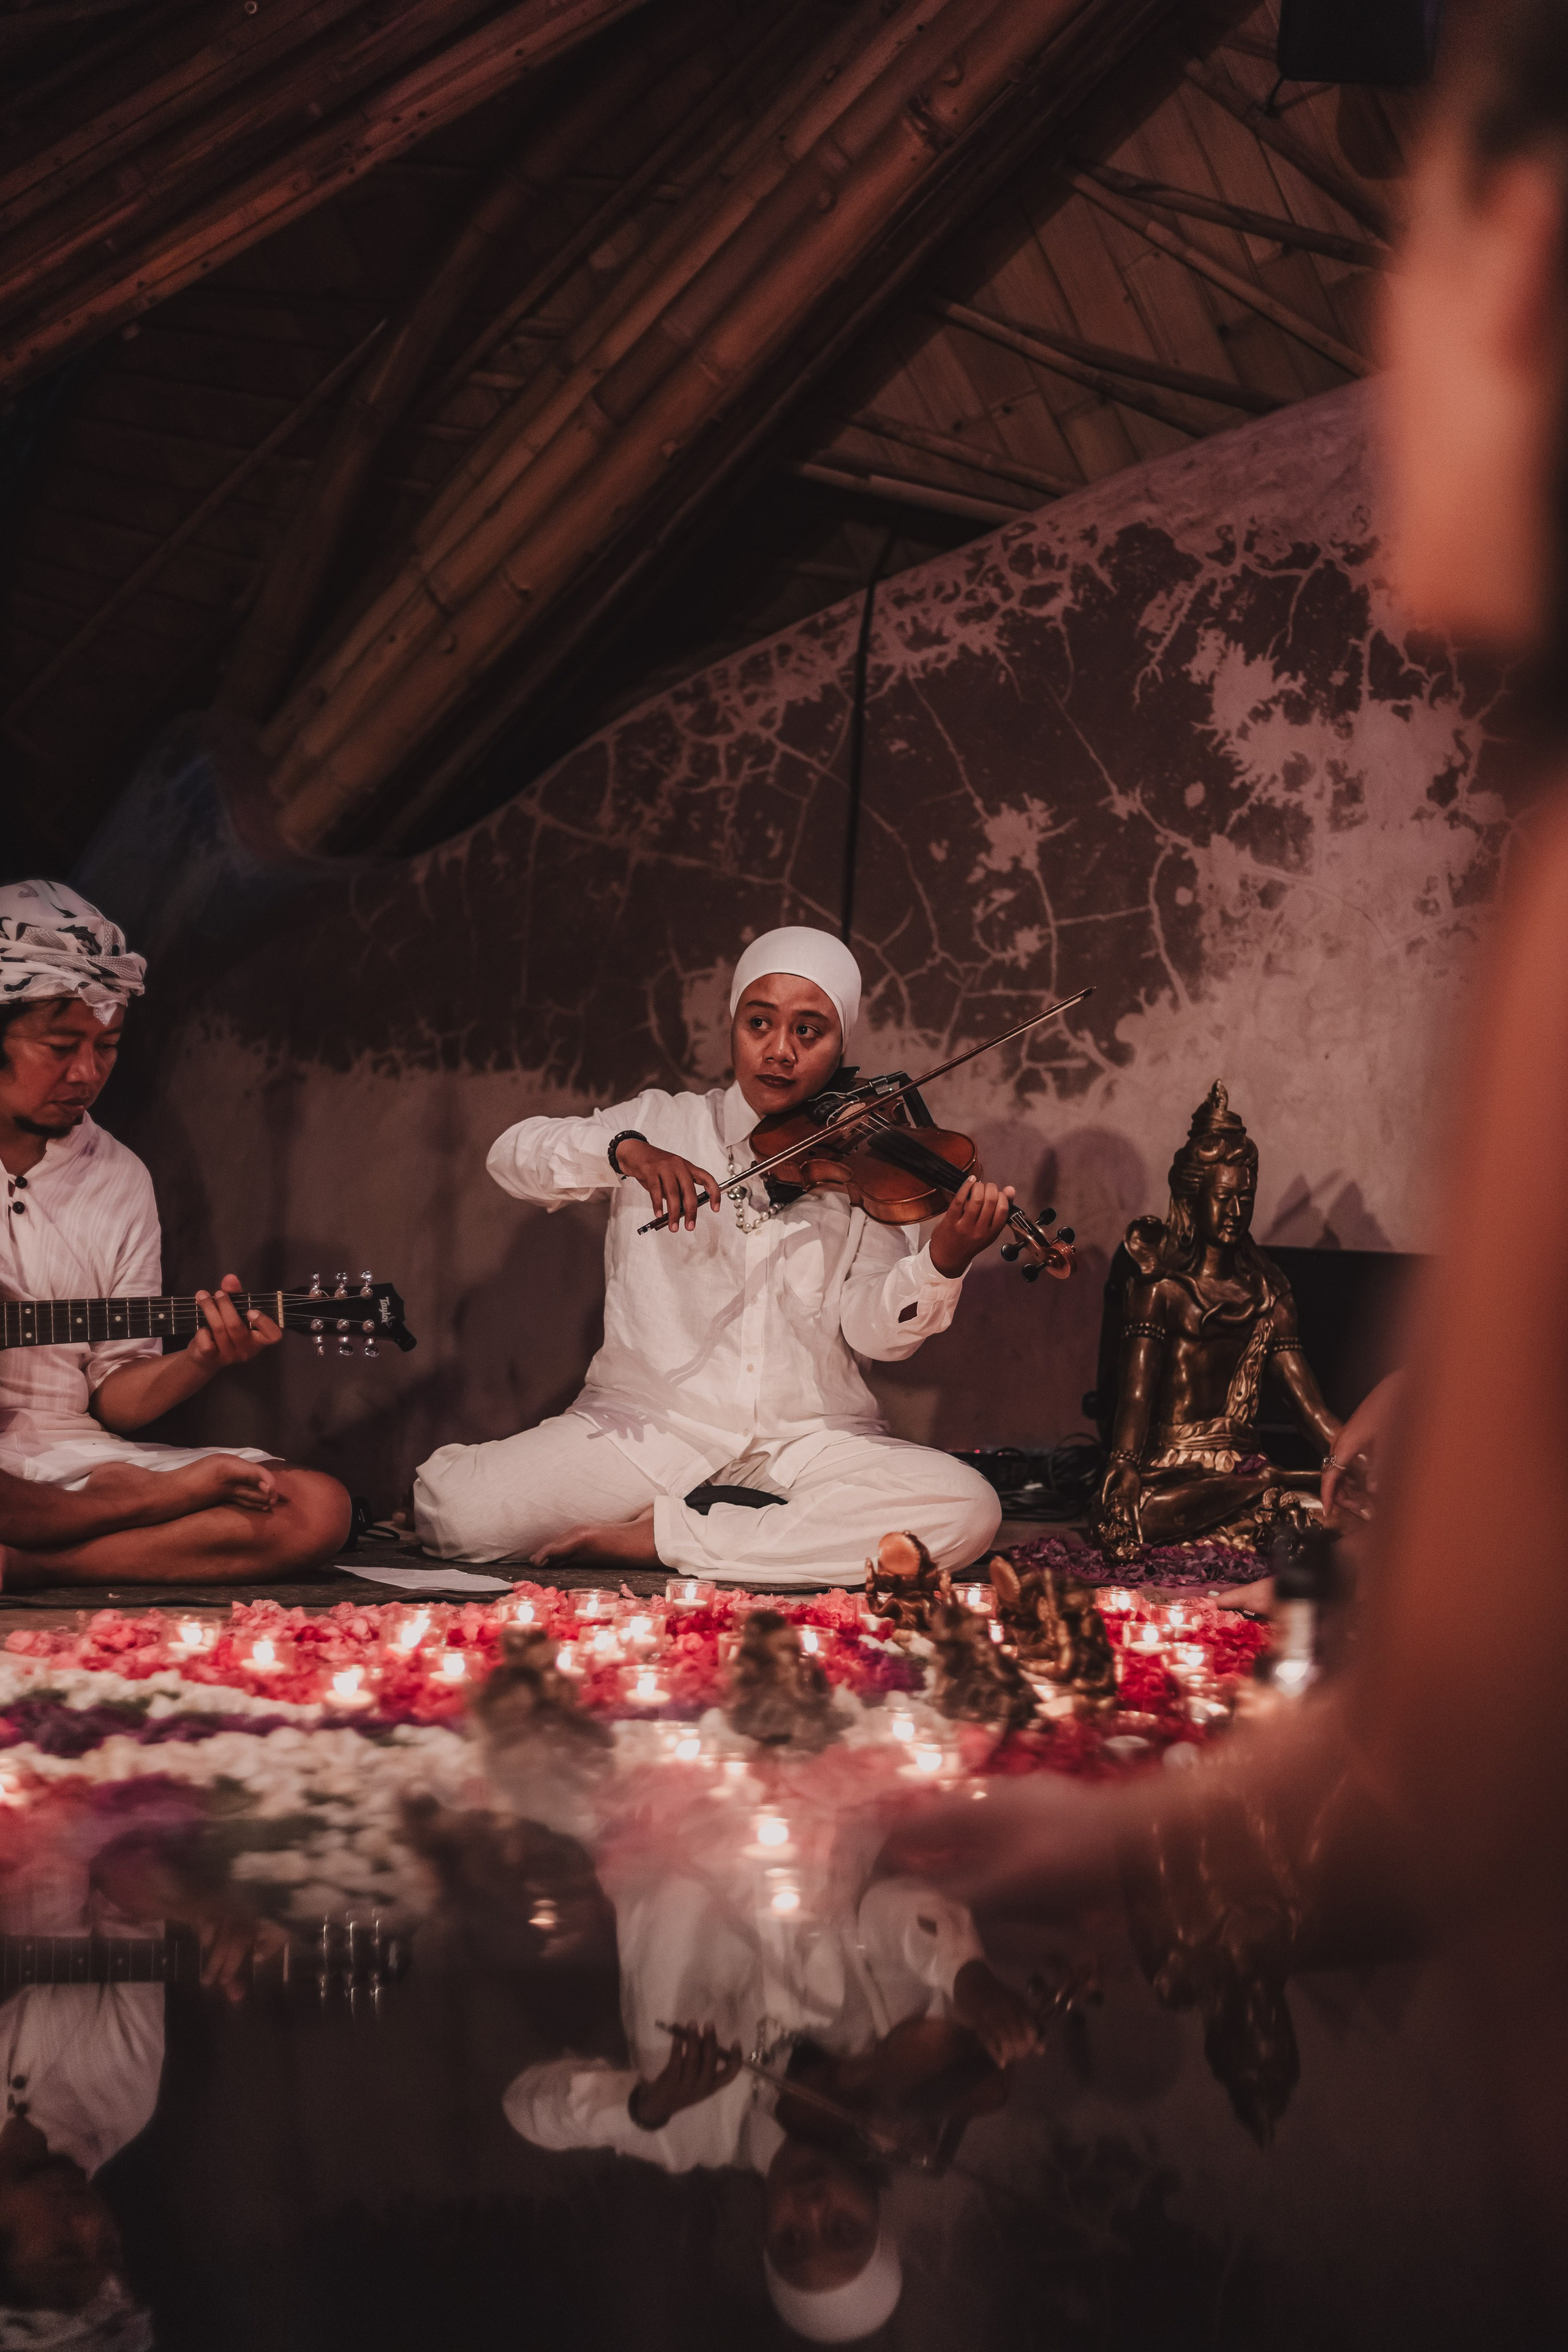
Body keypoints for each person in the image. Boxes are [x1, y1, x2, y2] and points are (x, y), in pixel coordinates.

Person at [415, 926, 1014, 1583]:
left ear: (841, 1044)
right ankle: (757, 1536)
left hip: (811, 1436)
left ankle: (669, 1537)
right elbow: (513, 1156)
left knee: (965, 1508)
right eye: (760, 1023)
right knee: (454, 1512)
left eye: (809, 1032)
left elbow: (874, 1332)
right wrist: (624, 1152)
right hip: (650, 1424)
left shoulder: (866, 1160)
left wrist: (941, 1263)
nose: (779, 1052)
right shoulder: (662, 1121)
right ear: (733, 1025)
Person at [505, 1845, 1039, 2343]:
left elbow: (523, 2108)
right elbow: (883, 1910)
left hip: (651, 1813)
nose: (809, 2210)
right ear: (877, 2212)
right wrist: (966, 1975)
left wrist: (641, 2109)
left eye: (791, 2240)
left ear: (762, 2232)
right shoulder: (899, 2067)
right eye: (841, 2229)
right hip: (813, 1794)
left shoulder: (683, 2137)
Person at [0, 880, 349, 1585]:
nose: (87, 1072)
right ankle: (96, 1522)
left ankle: (33, 1563)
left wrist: (202, 1358)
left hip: (71, 1456)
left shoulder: (119, 1175)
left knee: (313, 1508)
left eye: (108, 1046)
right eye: (61, 1045)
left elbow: (115, 1395)